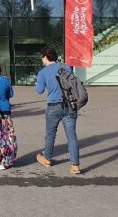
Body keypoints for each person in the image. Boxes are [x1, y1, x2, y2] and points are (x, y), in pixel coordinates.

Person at [35, 46, 81, 175]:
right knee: (72, 135)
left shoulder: (43, 72)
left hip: (53, 106)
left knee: (50, 134)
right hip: (70, 105)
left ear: (45, 57)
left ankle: (47, 158)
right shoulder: (66, 67)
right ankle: (75, 165)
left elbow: (39, 91)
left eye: (42, 57)